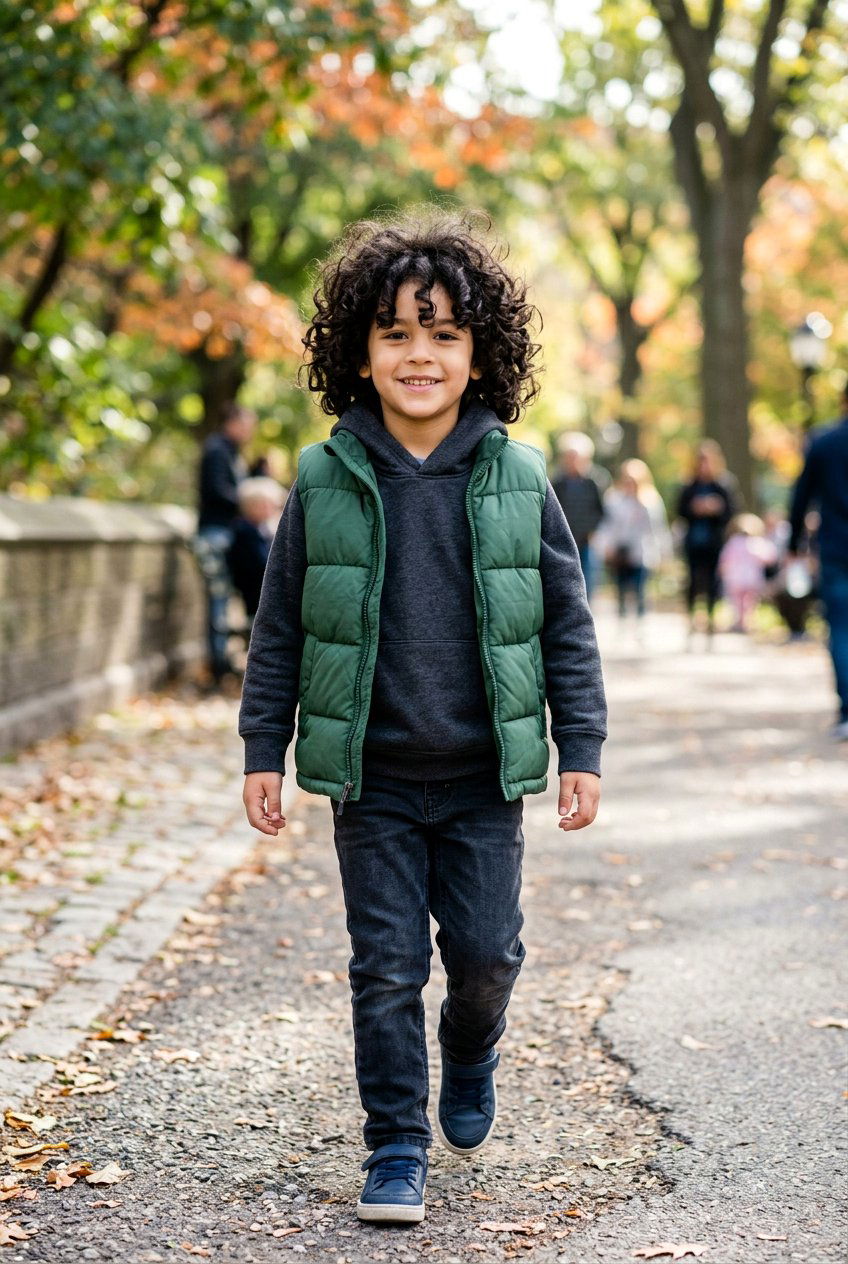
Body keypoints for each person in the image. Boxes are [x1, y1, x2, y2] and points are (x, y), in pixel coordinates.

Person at [237, 211, 607, 1223]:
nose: (419, 353)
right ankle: (394, 1144)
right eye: (397, 331)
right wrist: (260, 747)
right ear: (358, 348)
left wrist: (581, 745)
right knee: (385, 965)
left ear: (479, 351)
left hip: (485, 775)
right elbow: (279, 631)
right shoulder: (322, 478)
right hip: (376, 777)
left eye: (443, 333)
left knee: (484, 955)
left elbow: (565, 627)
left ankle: (472, 1044)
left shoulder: (518, 477)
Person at [789, 380, 848, 740]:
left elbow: (801, 495)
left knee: (841, 629)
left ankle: (847, 711)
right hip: (835, 549)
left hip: (837, 548)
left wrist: (794, 541)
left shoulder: (825, 443)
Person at [195, 404, 256, 682]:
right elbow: (218, 491)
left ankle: (223, 661)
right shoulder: (217, 450)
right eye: (246, 424)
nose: (250, 431)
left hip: (223, 533)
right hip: (214, 534)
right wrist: (248, 503)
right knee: (218, 599)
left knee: (225, 599)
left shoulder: (229, 451)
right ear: (232, 421)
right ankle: (218, 666)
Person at [676, 440, 739, 640]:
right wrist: (695, 509)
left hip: (714, 542)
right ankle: (692, 619)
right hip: (694, 542)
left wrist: (715, 509)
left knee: (713, 582)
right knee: (693, 581)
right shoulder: (689, 485)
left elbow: (732, 511)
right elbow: (679, 510)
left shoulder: (723, 484)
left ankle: (711, 620)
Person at [597, 459, 670, 624]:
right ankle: (622, 622)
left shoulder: (650, 501)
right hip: (620, 551)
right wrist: (605, 546)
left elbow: (658, 529)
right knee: (621, 589)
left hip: (641, 553)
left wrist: (663, 553)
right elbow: (607, 525)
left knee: (640, 590)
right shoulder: (614, 499)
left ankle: (641, 622)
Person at [550, 432, 606, 599]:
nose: (572, 461)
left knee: (588, 579)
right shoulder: (557, 482)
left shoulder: (594, 482)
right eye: (569, 456)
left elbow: (601, 510)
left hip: (586, 540)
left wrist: (592, 530)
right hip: (564, 540)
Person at [226, 476, 286, 620]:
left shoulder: (257, 528)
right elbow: (261, 563)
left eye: (271, 504)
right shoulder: (245, 530)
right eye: (264, 504)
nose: (269, 508)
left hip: (260, 589)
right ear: (249, 506)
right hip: (256, 592)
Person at [717, 514, 778, 633]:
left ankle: (741, 621)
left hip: (735, 578)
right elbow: (770, 557)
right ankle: (746, 622)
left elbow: (724, 560)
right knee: (749, 602)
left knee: (737, 601)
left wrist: (722, 572)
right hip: (751, 578)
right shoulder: (756, 542)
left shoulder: (733, 542)